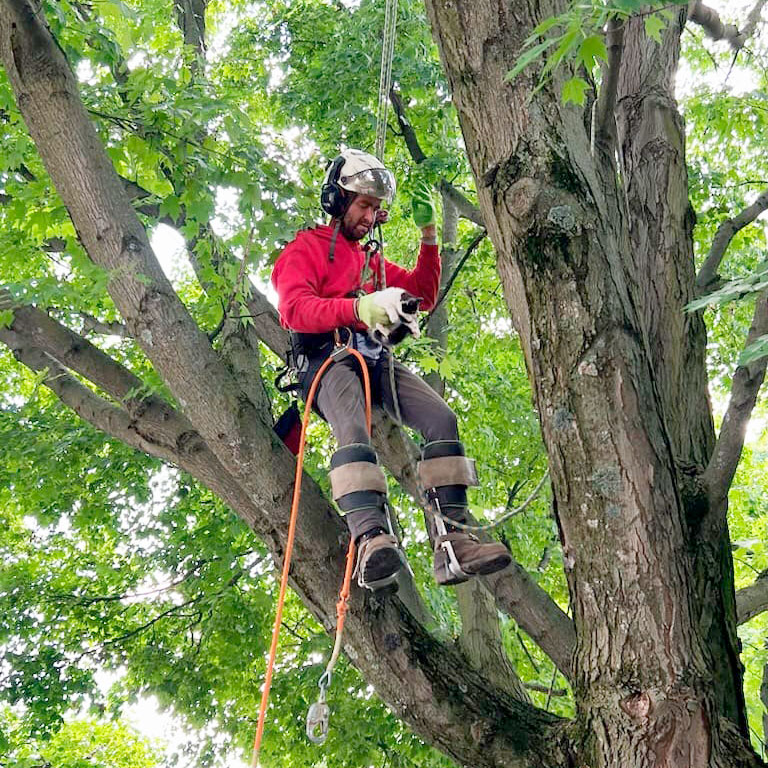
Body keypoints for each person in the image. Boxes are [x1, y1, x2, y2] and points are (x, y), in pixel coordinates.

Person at [271, 148, 511, 590]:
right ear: (338, 200)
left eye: (376, 209)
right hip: (328, 358)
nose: (370, 216)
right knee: (351, 428)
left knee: (442, 419)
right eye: (363, 205)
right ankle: (371, 539)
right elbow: (295, 310)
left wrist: (428, 235)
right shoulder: (305, 249)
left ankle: (453, 543)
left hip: (376, 359)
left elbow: (423, 294)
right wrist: (357, 307)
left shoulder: (371, 261)